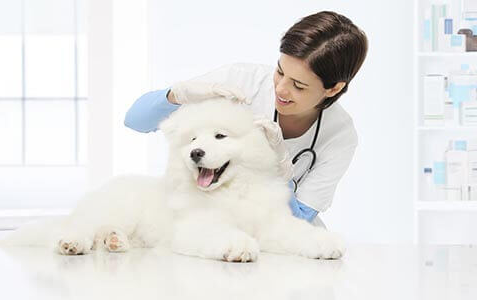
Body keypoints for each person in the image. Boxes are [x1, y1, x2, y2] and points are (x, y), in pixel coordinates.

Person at [123, 11, 368, 227]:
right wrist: (176, 95)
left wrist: (280, 168)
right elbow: (135, 120)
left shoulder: (339, 134)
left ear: (333, 89)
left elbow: (300, 217)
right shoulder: (241, 82)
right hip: (212, 222)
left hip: (277, 240)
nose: (281, 89)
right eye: (280, 71)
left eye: (298, 85)